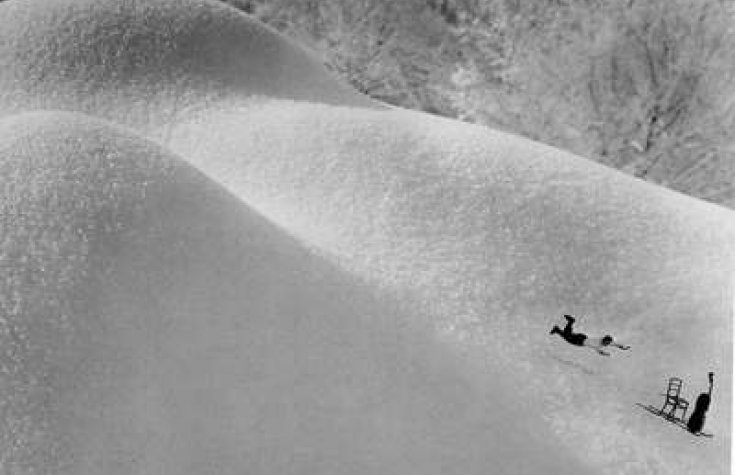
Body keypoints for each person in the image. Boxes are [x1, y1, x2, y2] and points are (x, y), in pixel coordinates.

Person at [550, 315, 630, 356]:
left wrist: (623, 347)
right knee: (567, 337)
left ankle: (557, 329)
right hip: (580, 341)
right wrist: (605, 354)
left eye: (607, 343)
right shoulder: (597, 344)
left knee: (567, 335)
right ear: (603, 340)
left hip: (582, 338)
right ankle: (570, 322)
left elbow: (616, 344)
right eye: (605, 342)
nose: (606, 344)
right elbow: (600, 351)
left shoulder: (606, 342)